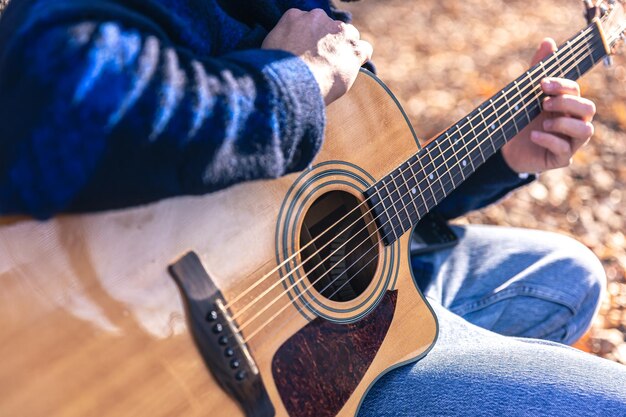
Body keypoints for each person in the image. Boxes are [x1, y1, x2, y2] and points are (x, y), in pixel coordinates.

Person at [0, 0, 624, 415]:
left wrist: (504, 155)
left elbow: (362, 198)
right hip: (237, 375)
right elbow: (55, 108)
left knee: (567, 272)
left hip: (303, 307)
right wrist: (298, 77)